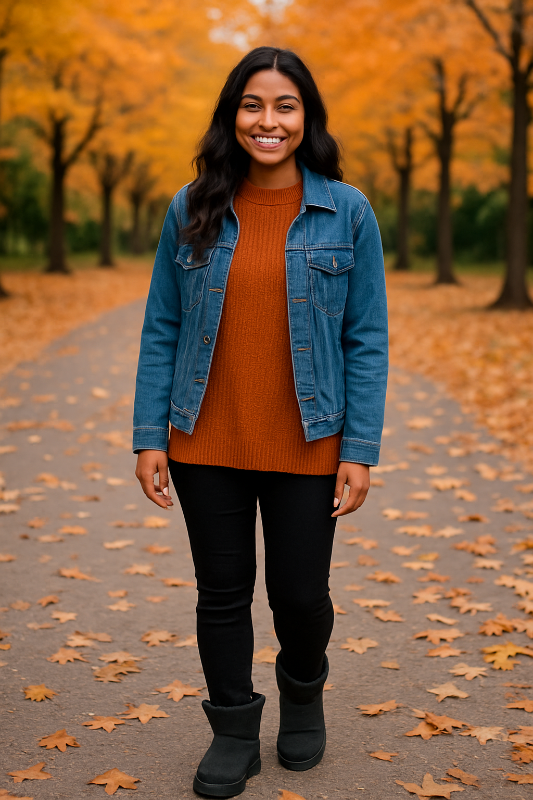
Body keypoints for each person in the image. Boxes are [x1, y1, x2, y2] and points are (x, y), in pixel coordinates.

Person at [133, 46, 388, 798]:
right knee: (221, 589)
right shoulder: (192, 206)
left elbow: (365, 337)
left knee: (300, 596)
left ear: (305, 118)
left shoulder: (347, 210)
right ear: (231, 115)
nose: (267, 120)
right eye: (252, 104)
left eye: (284, 106)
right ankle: (233, 732)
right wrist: (150, 434)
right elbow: (162, 327)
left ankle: (302, 691)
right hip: (204, 435)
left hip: (310, 438)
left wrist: (360, 448)